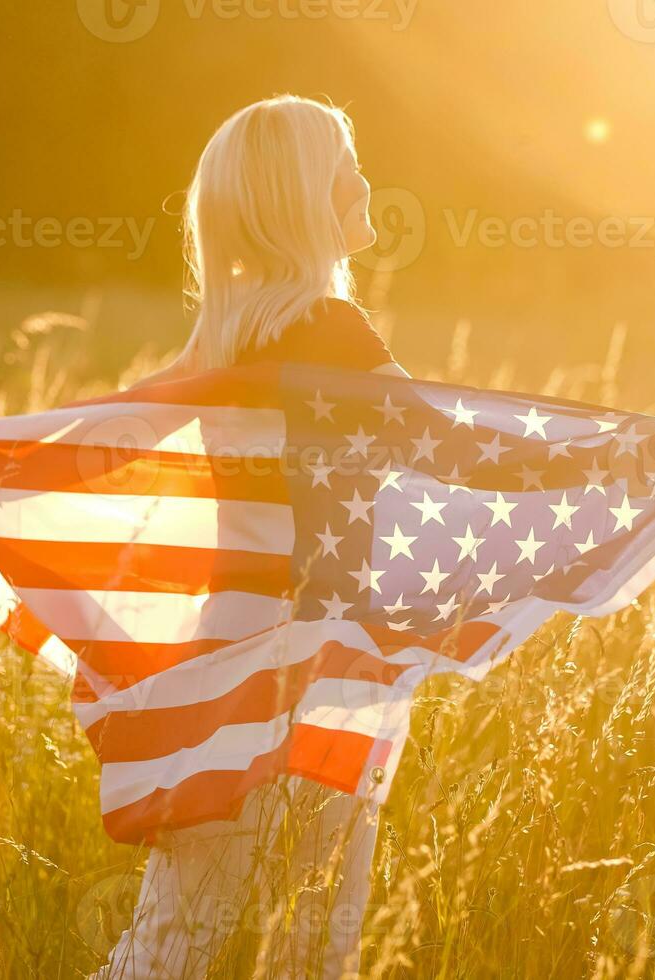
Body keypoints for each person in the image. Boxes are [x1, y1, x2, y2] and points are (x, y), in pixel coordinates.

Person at [94, 94, 403, 980]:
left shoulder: (218, 347)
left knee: (170, 940)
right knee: (314, 947)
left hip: (218, 665)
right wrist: (615, 460)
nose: (365, 179)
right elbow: (450, 440)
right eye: (346, 163)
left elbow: (113, 435)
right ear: (305, 196)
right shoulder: (336, 334)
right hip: (324, 666)